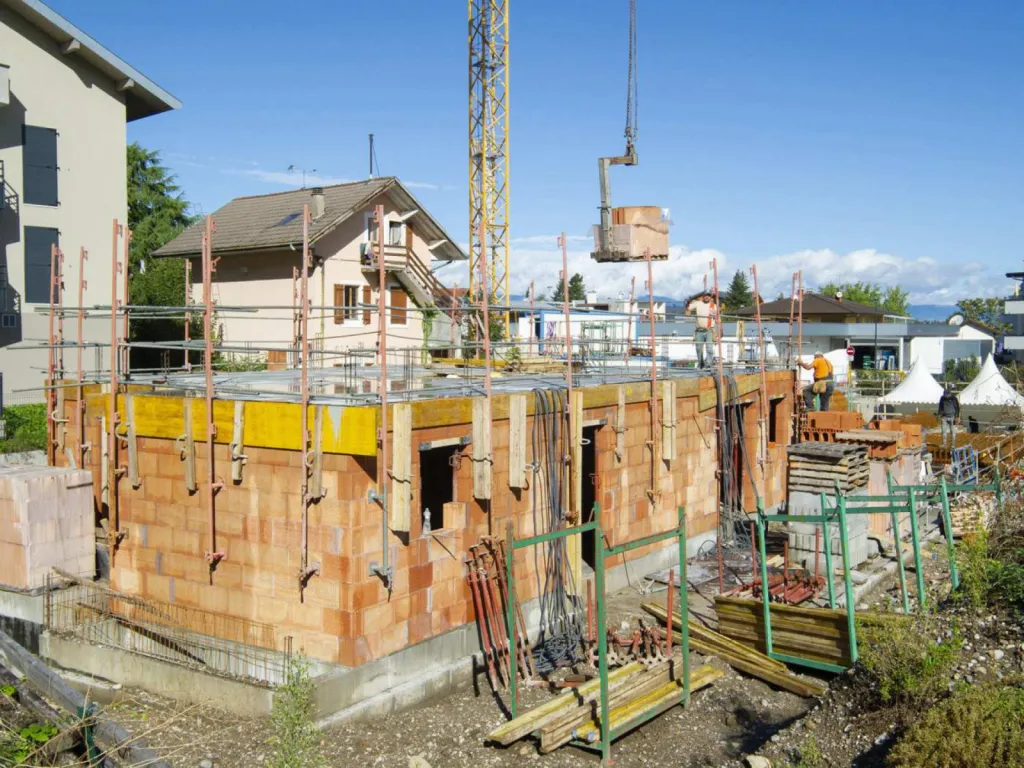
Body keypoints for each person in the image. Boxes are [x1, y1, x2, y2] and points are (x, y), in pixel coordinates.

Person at [686, 292, 717, 368]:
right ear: (703, 296)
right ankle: (701, 363)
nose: (707, 297)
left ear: (710, 297)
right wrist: (688, 301)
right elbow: (688, 308)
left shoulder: (713, 306)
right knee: (699, 348)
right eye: (706, 295)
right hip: (699, 330)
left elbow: (717, 318)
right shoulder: (698, 303)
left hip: (709, 330)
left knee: (709, 348)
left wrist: (720, 330)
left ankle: (708, 364)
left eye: (709, 295)